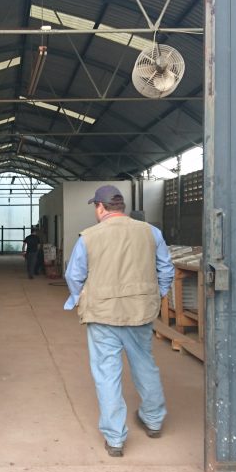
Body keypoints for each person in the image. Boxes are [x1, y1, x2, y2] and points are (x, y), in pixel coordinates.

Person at [63, 185, 173, 457]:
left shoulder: (89, 237)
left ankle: (115, 439)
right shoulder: (151, 232)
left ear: (100, 207)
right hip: (140, 313)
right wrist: (154, 295)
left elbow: (74, 275)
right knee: (145, 365)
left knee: (106, 374)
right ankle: (154, 420)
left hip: (102, 316)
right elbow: (166, 269)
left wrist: (81, 298)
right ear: (121, 207)